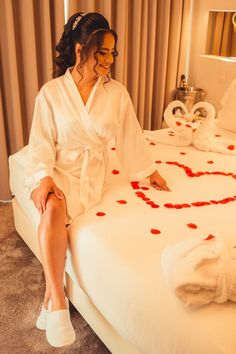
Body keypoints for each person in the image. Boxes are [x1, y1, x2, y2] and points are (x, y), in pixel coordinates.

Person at [25, 12, 169, 348]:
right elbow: (42, 141)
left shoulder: (116, 93)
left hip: (92, 173)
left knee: (56, 208)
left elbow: (131, 135)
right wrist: (43, 176)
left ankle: (50, 293)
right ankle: (58, 298)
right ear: (80, 49)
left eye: (111, 53)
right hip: (61, 167)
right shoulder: (51, 93)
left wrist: (148, 171)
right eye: (101, 52)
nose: (108, 60)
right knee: (52, 206)